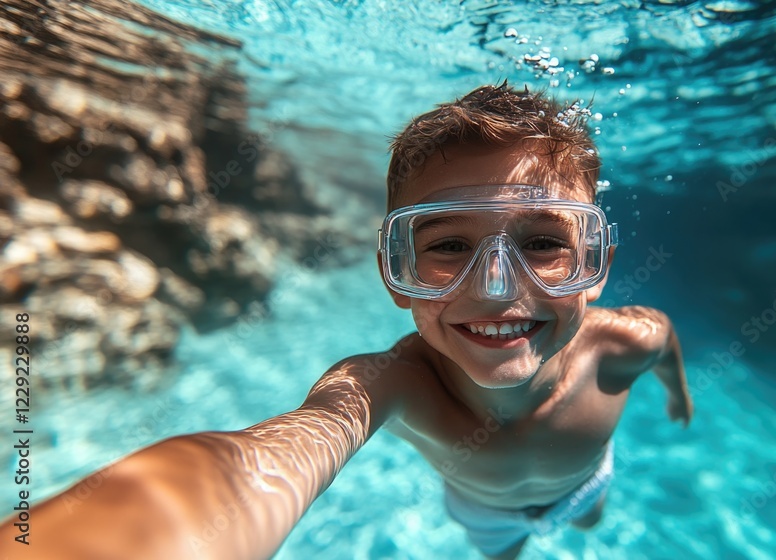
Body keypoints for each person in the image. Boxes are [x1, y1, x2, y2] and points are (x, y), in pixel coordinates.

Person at [0, 82, 692, 560]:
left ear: (596, 266)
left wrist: (677, 393)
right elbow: (262, 460)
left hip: (583, 484)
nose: (495, 287)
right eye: (447, 247)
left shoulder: (630, 341)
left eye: (544, 243)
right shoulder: (391, 384)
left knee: (592, 518)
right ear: (396, 276)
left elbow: (668, 352)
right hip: (481, 511)